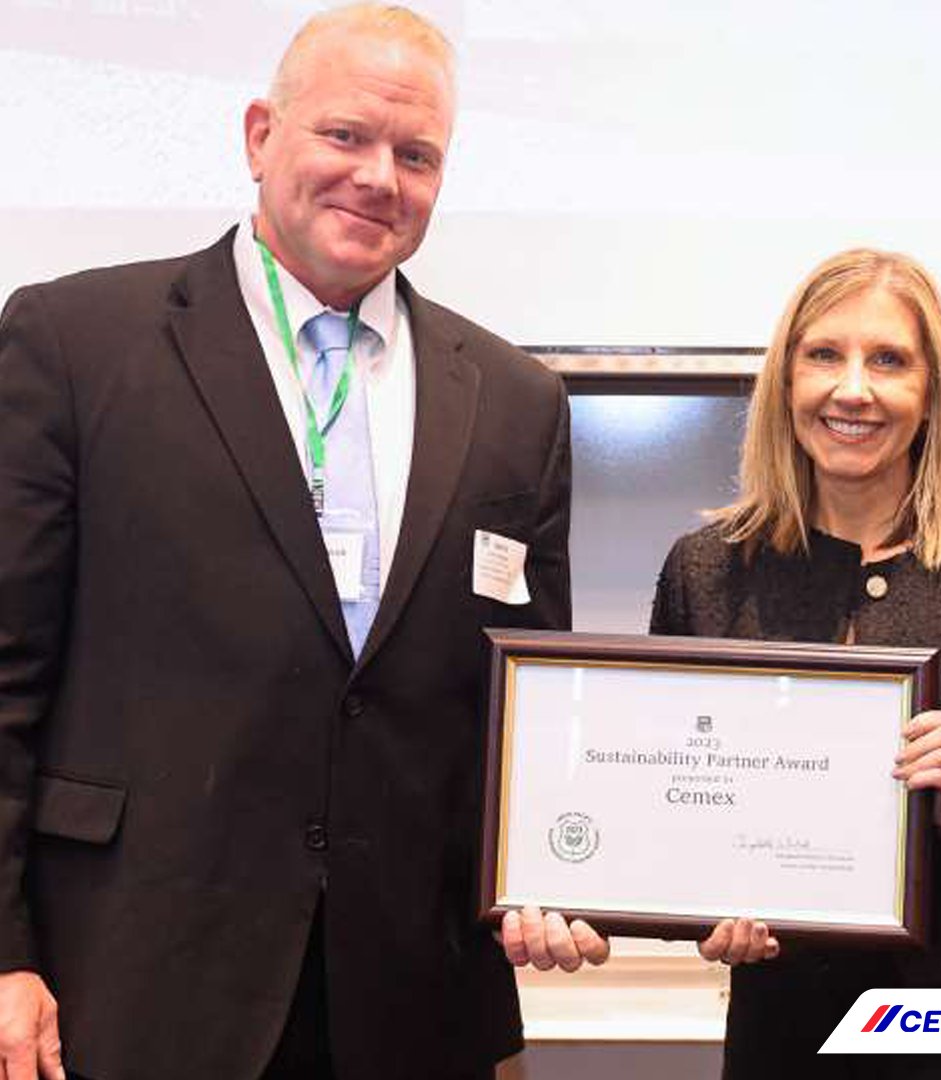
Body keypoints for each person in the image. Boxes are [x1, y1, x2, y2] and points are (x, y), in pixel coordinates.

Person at [0, 5, 605, 1079]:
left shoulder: (516, 401)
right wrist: (3, 955)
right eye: (345, 136)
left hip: (412, 997)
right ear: (258, 137)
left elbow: (528, 703)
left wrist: (559, 869)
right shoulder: (74, 344)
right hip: (137, 980)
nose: (379, 177)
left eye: (416, 155)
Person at [650, 248, 941, 1078]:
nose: (854, 389)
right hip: (784, 1019)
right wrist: (699, 905)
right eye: (824, 355)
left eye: (889, 360)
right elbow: (673, 803)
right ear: (785, 381)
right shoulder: (705, 570)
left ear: (931, 394)